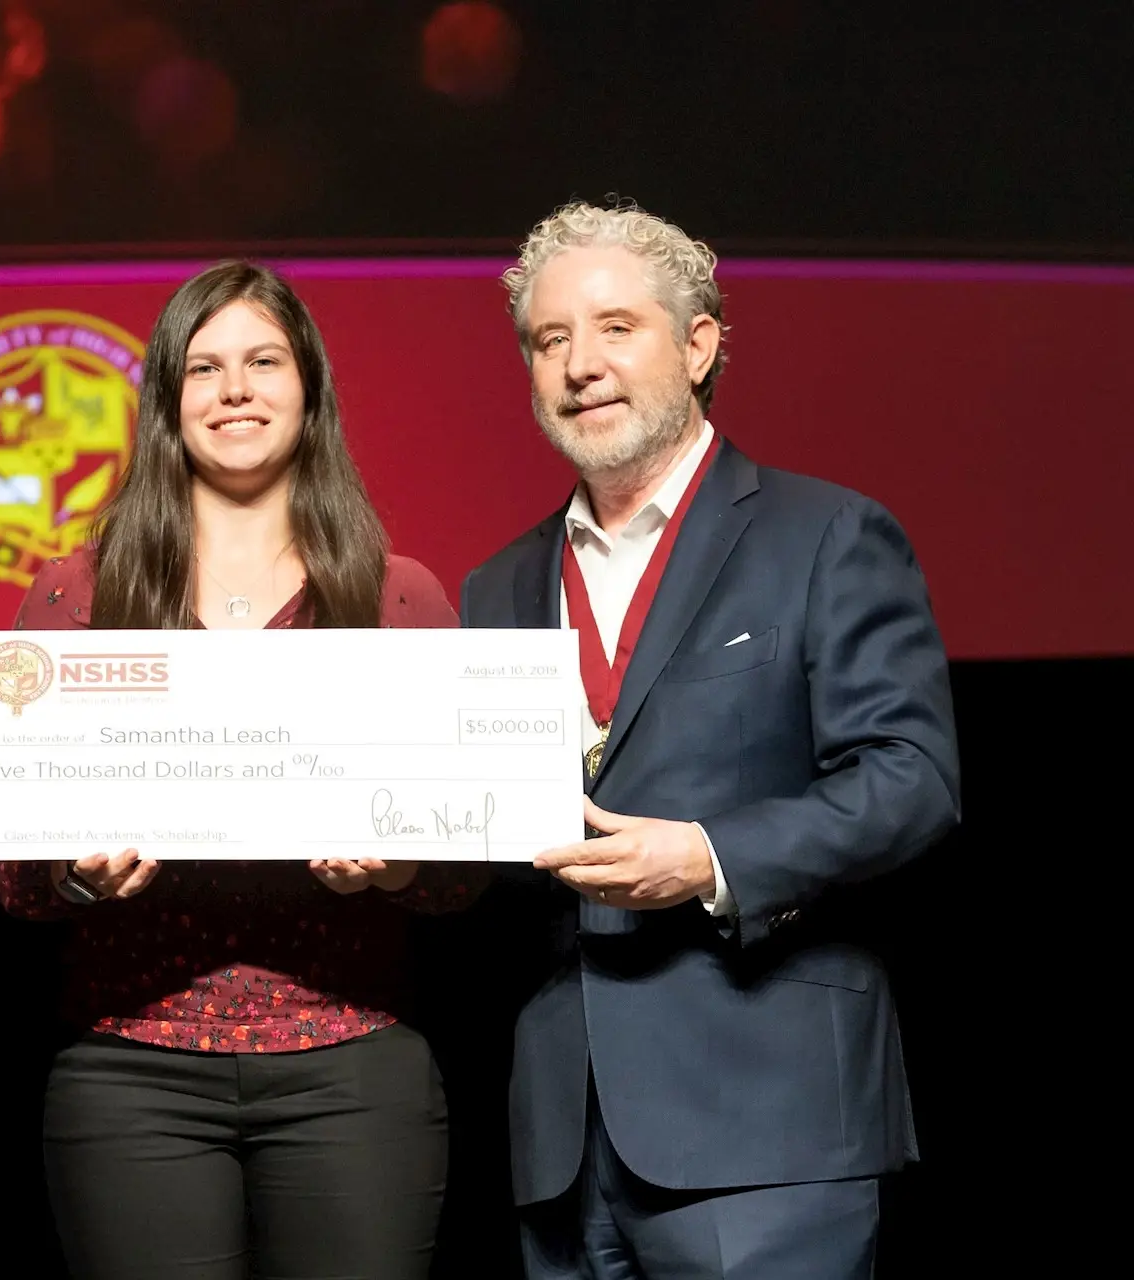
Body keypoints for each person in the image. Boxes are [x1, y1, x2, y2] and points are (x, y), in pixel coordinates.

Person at [460, 201, 960, 1279]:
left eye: (616, 328)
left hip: (769, 1120)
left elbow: (911, 779)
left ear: (698, 346)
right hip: (564, 1138)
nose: (580, 365)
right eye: (551, 339)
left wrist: (709, 856)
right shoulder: (496, 585)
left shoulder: (827, 535)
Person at [0, 261, 479, 1280]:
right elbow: (11, 876)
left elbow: (464, 873)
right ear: (168, 398)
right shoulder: (79, 596)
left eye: (264, 362)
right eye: (204, 368)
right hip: (129, 1073)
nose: (236, 390)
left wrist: (397, 868)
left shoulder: (398, 597)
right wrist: (75, 872)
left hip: (354, 1069)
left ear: (309, 388)